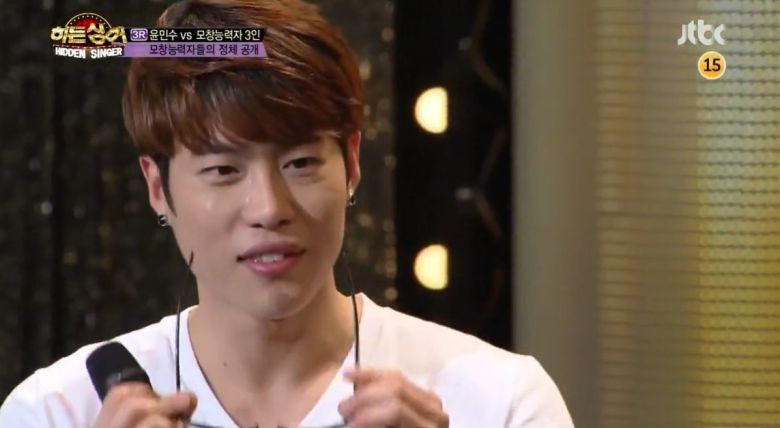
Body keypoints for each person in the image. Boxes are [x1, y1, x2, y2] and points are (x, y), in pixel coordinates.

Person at [0, 0, 574, 427]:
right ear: (157, 187)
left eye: (300, 163)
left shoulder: (500, 400)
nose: (270, 209)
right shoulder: (56, 411)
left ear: (352, 163)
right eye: (223, 170)